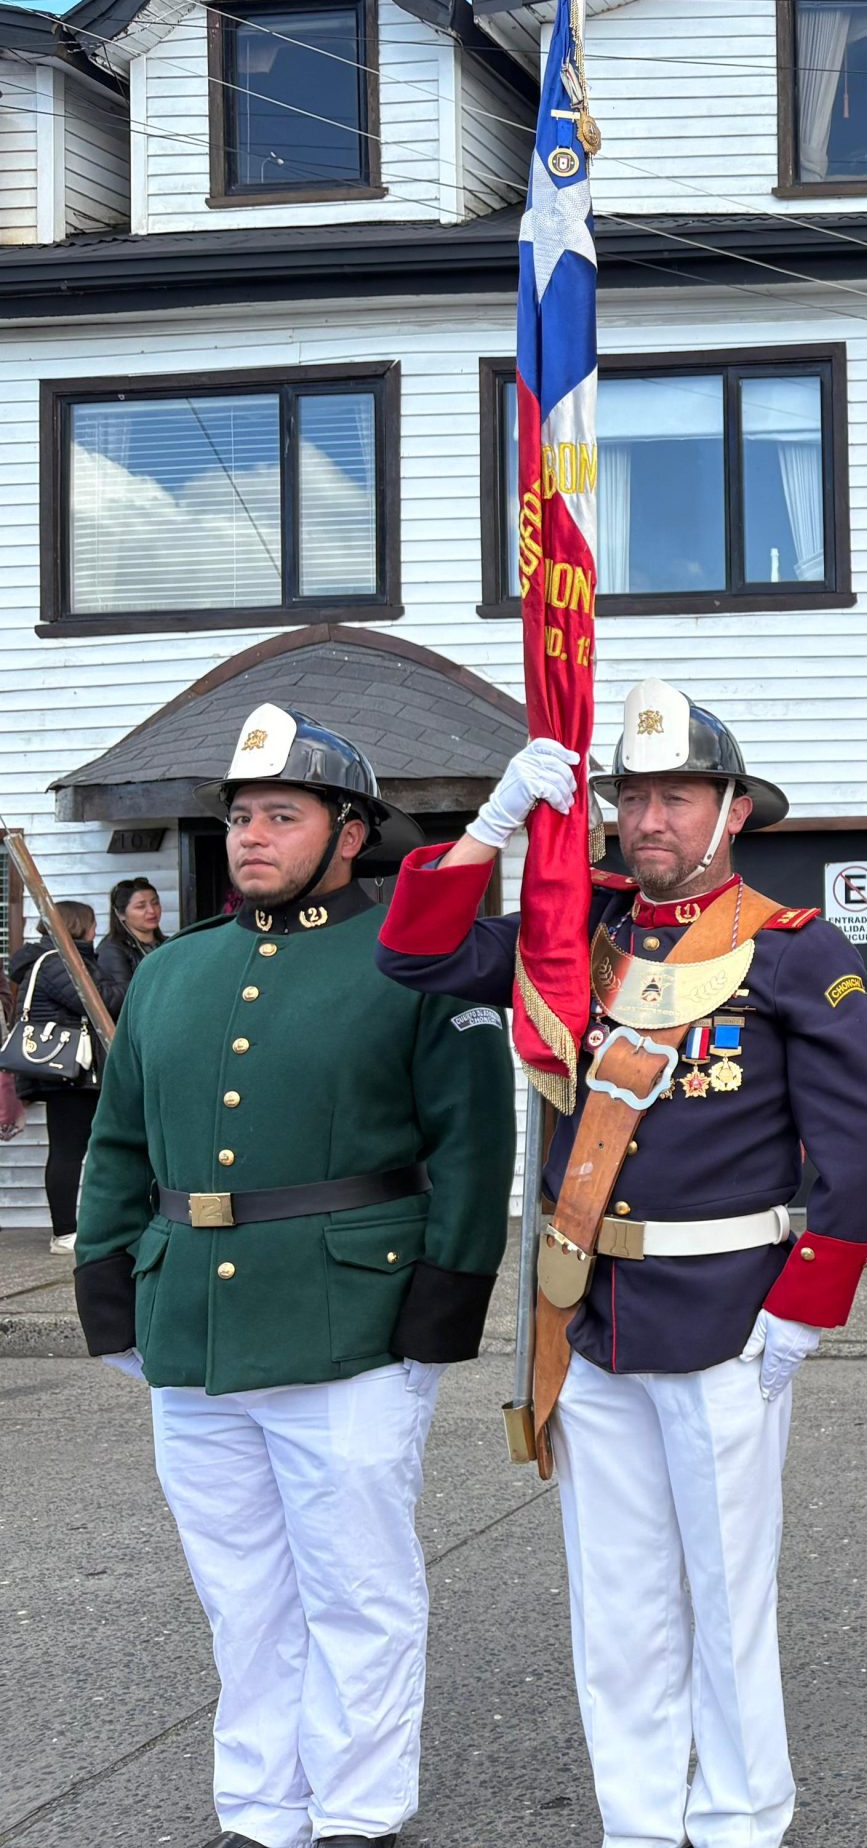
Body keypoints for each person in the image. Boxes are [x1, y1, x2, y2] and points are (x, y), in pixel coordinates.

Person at [377, 680, 867, 1848]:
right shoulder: (577, 939)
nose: (649, 819)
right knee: (614, 1601)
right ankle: (638, 1816)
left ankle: (741, 1814)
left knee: (725, 1594)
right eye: (633, 797)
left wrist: (807, 1308)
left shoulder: (794, 953)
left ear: (731, 812)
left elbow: (864, 1145)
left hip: (727, 1315)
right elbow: (414, 957)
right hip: (590, 1312)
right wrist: (494, 823)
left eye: (677, 796)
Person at [73, 704, 514, 1848]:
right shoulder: (172, 973)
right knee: (242, 1594)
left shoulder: (414, 960)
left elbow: (472, 1142)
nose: (251, 836)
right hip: (193, 1322)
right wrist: (111, 1288)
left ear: (350, 833)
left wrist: (443, 1302)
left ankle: (361, 1811)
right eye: (240, 816)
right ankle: (263, 1809)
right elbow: (123, 1140)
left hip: (351, 1317)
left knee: (356, 1588)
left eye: (282, 814)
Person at [12, 901, 101, 1257]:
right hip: (70, 1073)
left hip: (65, 1072)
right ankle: (65, 1233)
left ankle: (70, 1229)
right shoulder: (58, 962)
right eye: (94, 923)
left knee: (69, 1149)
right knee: (67, 1151)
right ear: (79, 925)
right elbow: (97, 1001)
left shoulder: (46, 959)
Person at [94, 876, 166, 1016]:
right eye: (141, 906)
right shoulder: (112, 950)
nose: (152, 911)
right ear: (121, 914)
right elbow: (124, 998)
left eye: (155, 903)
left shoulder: (168, 943)